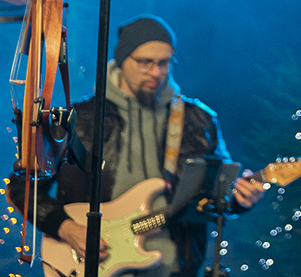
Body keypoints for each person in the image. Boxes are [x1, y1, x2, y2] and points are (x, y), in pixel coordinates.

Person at [8, 15, 266, 275]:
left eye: (164, 63)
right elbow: (22, 186)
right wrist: (65, 227)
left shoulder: (198, 120)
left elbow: (214, 194)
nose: (156, 72)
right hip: (93, 264)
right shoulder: (79, 118)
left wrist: (239, 199)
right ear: (122, 60)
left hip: (172, 267)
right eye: (145, 62)